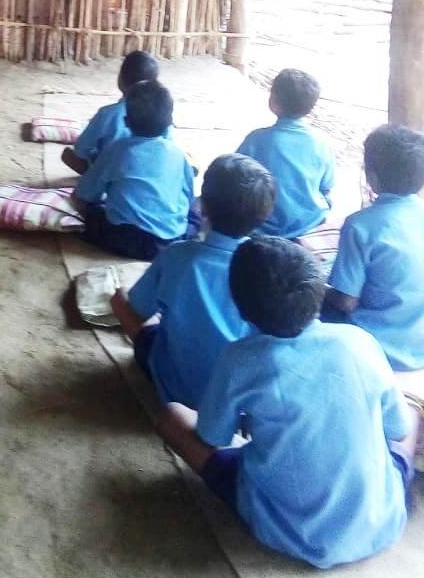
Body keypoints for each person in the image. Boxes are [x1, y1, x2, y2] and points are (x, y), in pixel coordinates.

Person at [156, 237, 418, 570]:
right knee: (410, 411)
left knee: (172, 417)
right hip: (382, 521)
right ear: (319, 291)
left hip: (284, 529)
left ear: (240, 307)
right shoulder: (360, 341)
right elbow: (397, 429)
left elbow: (212, 436)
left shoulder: (240, 359)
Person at [110, 154, 275, 408]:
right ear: (264, 215)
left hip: (177, 386)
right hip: (236, 397)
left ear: (203, 205)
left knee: (120, 299)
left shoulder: (177, 255)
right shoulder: (269, 267)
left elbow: (139, 309)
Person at [324, 124, 424, 371]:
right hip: (419, 343)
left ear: (372, 177)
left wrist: (319, 287)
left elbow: (346, 301)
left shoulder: (360, 225)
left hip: (374, 345)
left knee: (309, 302)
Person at [77, 80, 195, 261]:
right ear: (170, 122)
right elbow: (188, 196)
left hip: (124, 238)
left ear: (126, 121)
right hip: (169, 241)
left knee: (92, 212)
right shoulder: (178, 155)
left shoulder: (117, 150)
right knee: (195, 216)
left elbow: (86, 194)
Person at [237, 68, 334, 238]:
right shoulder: (322, 142)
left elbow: (234, 176)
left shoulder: (256, 139)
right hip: (309, 225)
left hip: (262, 227)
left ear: (273, 102)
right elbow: (326, 186)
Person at [62, 49, 160, 175]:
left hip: (112, 171)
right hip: (149, 169)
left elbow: (81, 149)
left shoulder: (107, 114)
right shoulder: (161, 114)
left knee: (69, 155)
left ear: (121, 80)